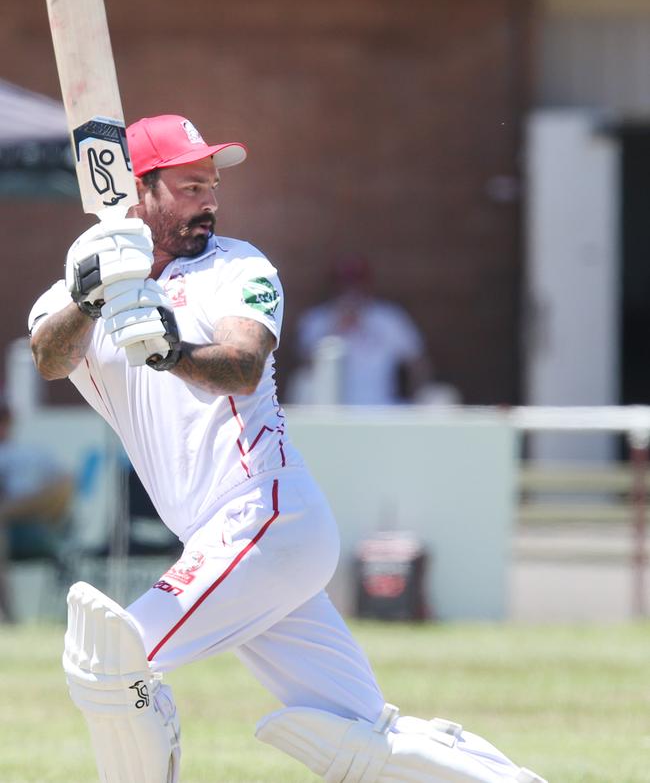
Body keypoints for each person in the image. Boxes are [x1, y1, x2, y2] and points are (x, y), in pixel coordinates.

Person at [29, 114, 545, 783]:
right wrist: (89, 295)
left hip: (265, 517)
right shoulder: (90, 282)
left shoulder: (238, 265)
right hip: (232, 539)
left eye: (212, 184)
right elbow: (49, 355)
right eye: (189, 185)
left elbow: (243, 362)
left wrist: (171, 350)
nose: (209, 199)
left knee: (111, 661)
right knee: (361, 738)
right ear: (138, 191)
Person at [293, 254, 432, 405]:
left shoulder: (389, 318)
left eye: (357, 283)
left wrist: (417, 402)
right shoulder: (316, 320)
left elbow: (418, 364)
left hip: (383, 409)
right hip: (332, 410)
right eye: (345, 283)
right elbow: (304, 370)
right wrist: (335, 329)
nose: (351, 290)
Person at [0, 398, 73, 621]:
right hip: (6, 532)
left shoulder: (32, 453)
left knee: (62, 484)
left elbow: (65, 485)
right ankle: (10, 619)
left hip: (36, 528)